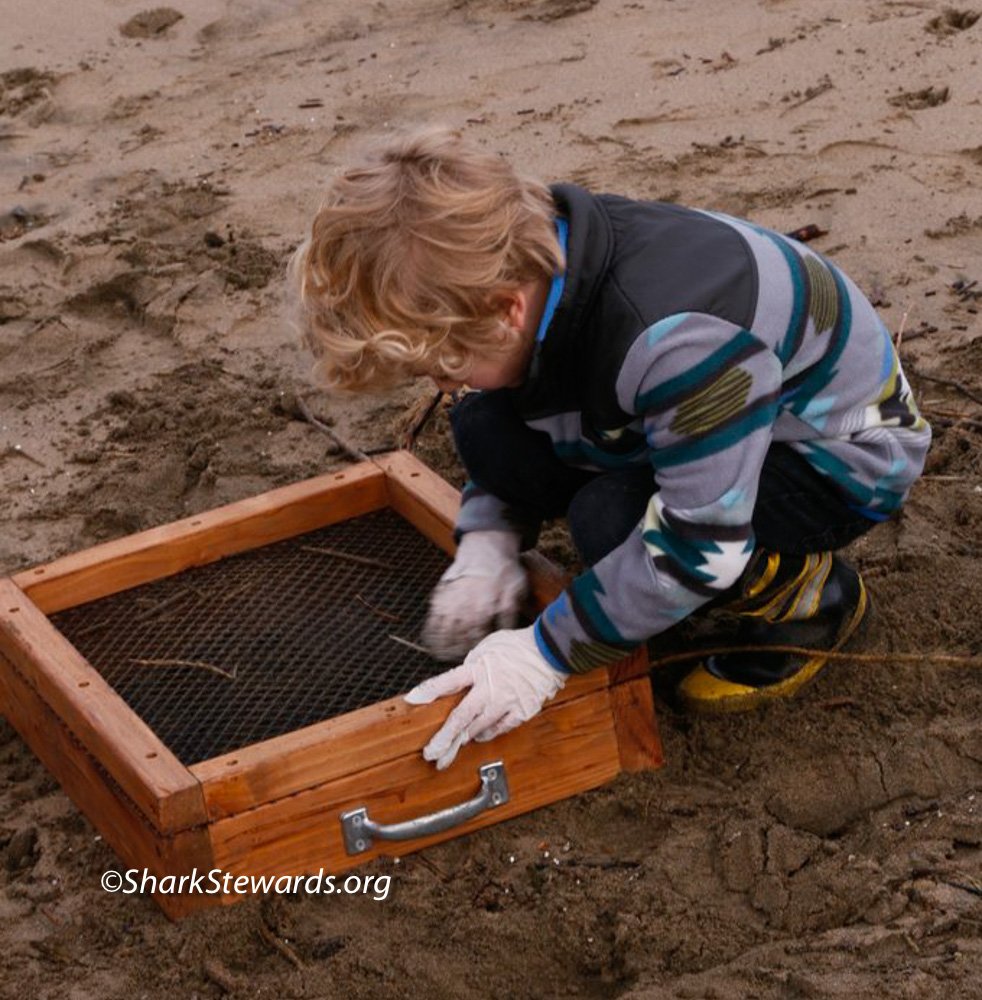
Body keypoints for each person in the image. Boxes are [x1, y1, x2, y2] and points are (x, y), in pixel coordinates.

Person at [292, 127, 930, 770]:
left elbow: (701, 545)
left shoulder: (681, 342)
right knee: (487, 423)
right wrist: (487, 541)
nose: (439, 384)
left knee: (612, 519)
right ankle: (642, 590)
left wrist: (544, 653)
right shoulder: (536, 263)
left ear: (506, 311)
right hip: (702, 419)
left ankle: (808, 599)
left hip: (835, 458)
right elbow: (524, 412)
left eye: (442, 365)